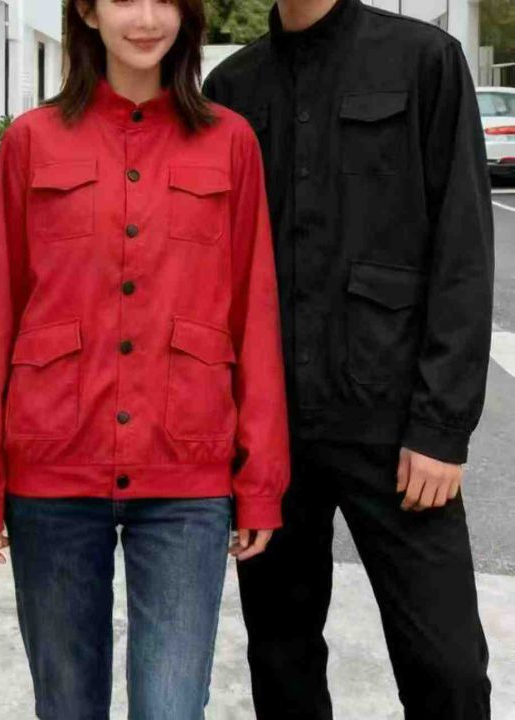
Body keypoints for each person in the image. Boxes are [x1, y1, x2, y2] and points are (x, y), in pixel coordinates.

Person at [0, 1, 291, 718]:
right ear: (87, 9)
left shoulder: (230, 142)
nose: (146, 18)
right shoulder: (32, 141)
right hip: (53, 463)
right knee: (67, 705)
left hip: (187, 471)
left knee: (172, 707)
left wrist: (261, 479)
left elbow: (253, 314)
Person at [202, 0, 494, 718]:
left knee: (448, 669)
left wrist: (441, 427)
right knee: (282, 657)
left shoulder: (423, 61)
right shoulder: (231, 89)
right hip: (272, 433)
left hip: (395, 428)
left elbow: (462, 248)